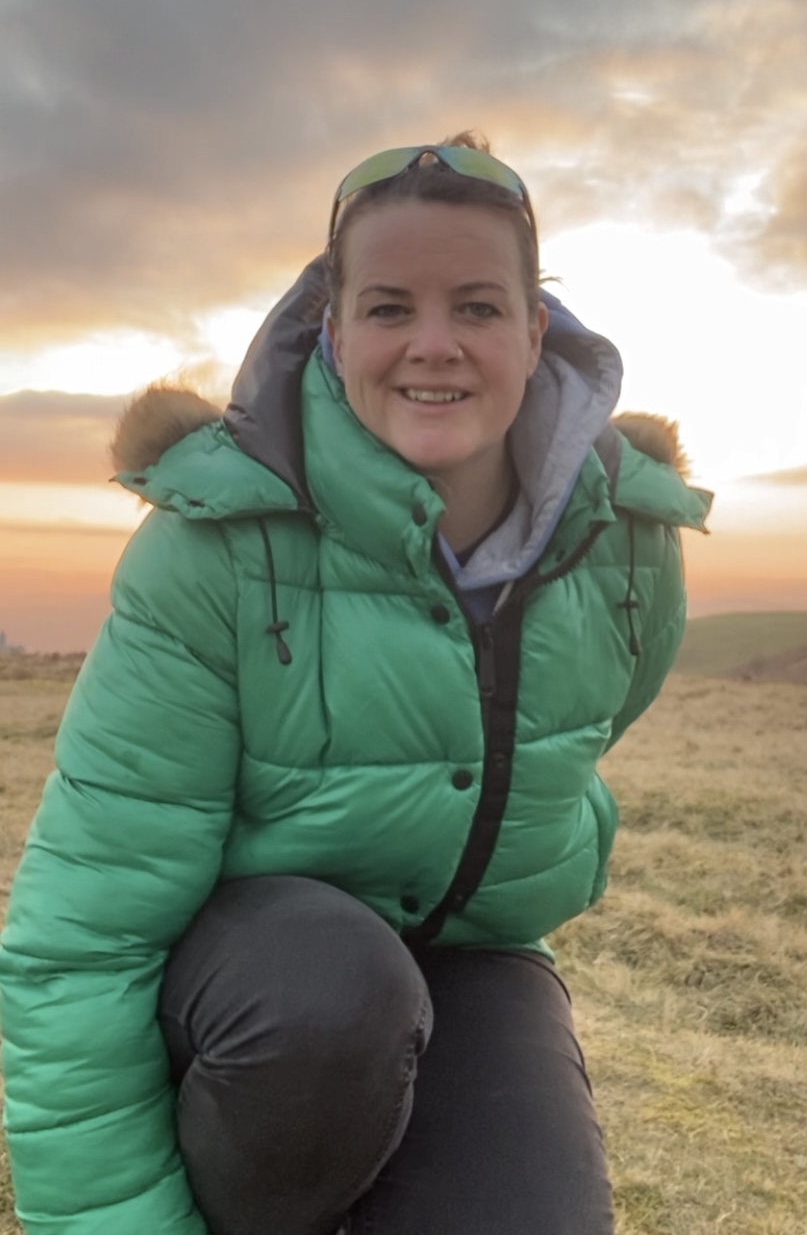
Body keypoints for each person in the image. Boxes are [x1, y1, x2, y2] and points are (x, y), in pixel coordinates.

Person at [0, 135, 712, 1235]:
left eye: (477, 306)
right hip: (253, 985)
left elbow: (594, 722)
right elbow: (80, 944)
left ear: (535, 332)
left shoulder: (628, 547)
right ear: (334, 333)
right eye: (389, 308)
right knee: (331, 988)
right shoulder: (216, 548)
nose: (434, 345)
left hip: (474, 957)